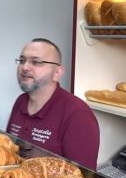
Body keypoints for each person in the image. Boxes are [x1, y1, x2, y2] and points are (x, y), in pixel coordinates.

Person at [6, 38, 100, 169]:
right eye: (22, 60)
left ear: (57, 73)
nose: (25, 67)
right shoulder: (20, 101)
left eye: (36, 62)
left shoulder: (78, 115)